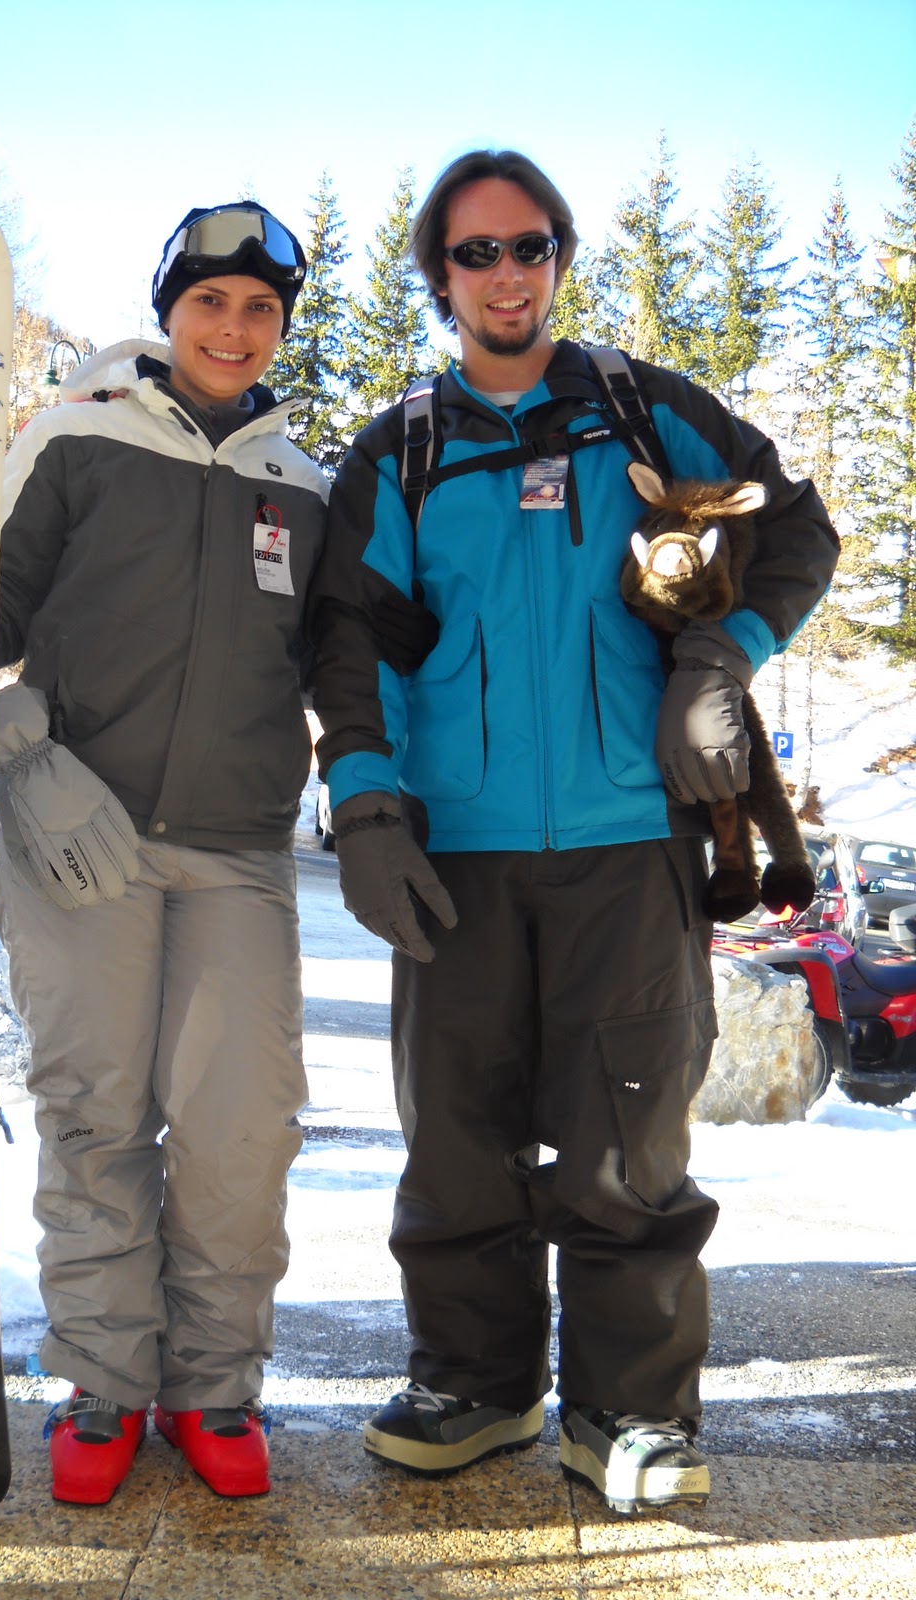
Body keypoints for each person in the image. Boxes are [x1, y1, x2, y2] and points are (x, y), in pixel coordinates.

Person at [308, 150, 839, 1515]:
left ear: (559, 258)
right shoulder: (400, 452)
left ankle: (631, 1411)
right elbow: (352, 642)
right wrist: (365, 803)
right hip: (457, 858)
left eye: (529, 245)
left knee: (628, 1142)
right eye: (475, 252)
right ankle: (476, 1386)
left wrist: (720, 656)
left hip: (630, 843)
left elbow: (796, 529)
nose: (506, 274)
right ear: (440, 276)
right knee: (457, 1138)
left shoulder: (642, 410)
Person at [0, 203, 330, 1502]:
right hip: (81, 836)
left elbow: (337, 661)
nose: (234, 328)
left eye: (261, 309)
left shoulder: (306, 487)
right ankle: (107, 1382)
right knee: (96, 1114)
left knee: (242, 1130)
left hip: (238, 851)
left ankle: (215, 1386)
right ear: (169, 310)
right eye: (210, 302)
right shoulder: (77, 439)